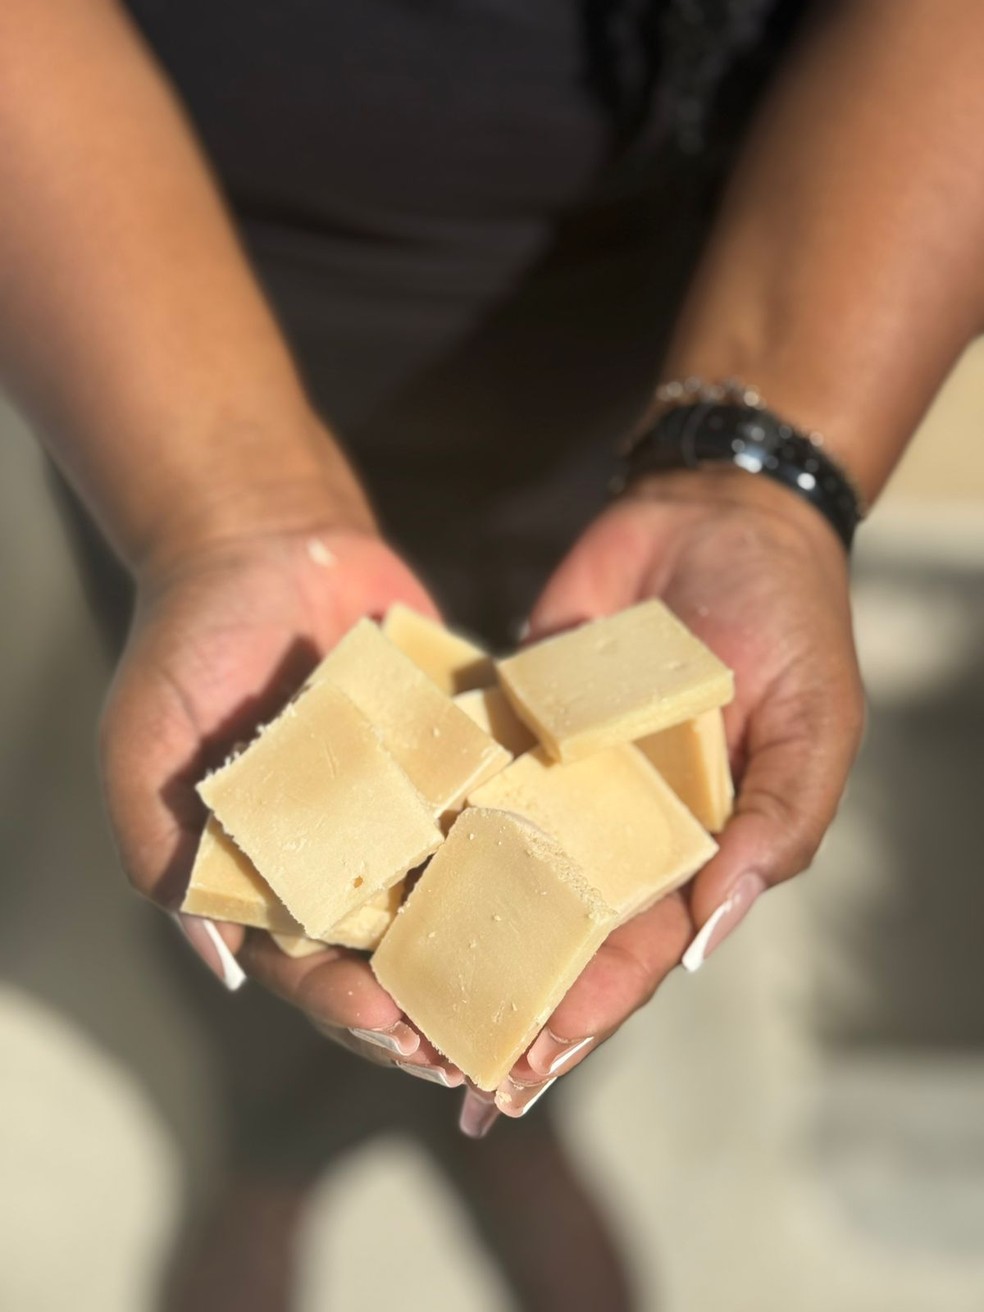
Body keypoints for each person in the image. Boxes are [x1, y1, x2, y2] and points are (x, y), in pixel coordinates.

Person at [3, 0, 983, 1303]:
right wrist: (219, 514)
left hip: (686, 296)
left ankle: (513, 1122)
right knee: (245, 863)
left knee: (582, 921)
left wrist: (753, 481)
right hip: (145, 291)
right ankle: (270, 1143)